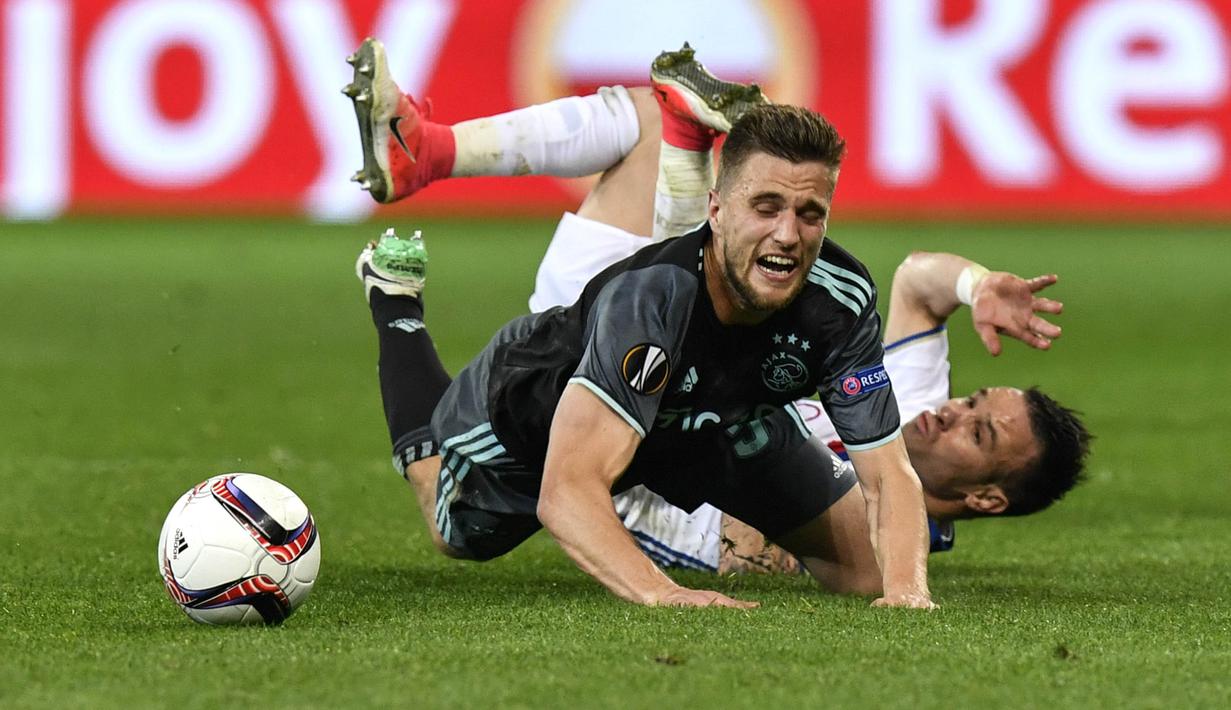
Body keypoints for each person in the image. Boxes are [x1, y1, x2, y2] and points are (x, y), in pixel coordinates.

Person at [346, 39, 936, 608]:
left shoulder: (842, 295)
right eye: (766, 208)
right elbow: (566, 491)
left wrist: (909, 591)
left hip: (715, 424)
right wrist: (664, 592)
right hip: (535, 413)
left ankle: (675, 135)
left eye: (811, 214)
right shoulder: (651, 300)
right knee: (454, 532)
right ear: (716, 209)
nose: (789, 234)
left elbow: (888, 472)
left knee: (869, 573)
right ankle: (396, 303)